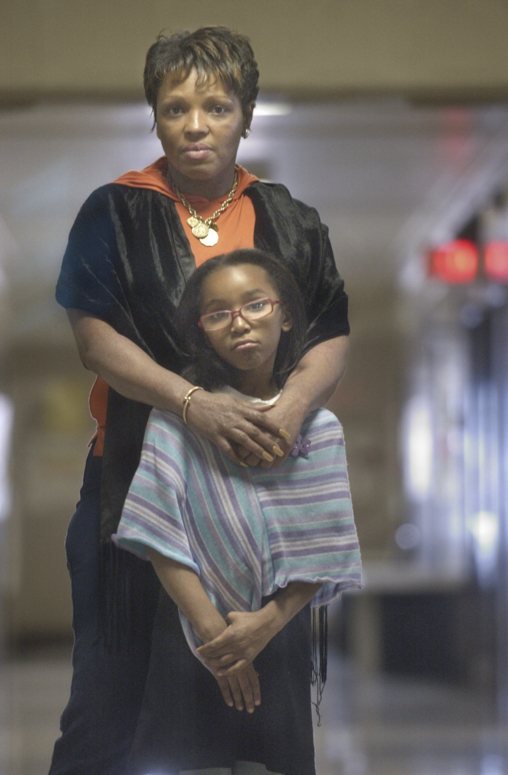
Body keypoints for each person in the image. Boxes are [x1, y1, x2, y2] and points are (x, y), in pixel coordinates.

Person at [50, 26, 350, 775]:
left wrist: (288, 410)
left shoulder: (291, 220)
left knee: (259, 727)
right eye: (174, 106)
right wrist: (191, 403)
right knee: (108, 713)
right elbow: (95, 340)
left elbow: (332, 334)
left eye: (215, 106)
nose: (194, 124)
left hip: (263, 500)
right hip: (133, 491)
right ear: (153, 116)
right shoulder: (113, 211)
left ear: (245, 115)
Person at [113, 249, 362, 775]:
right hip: (188, 630)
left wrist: (260, 629)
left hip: (280, 630)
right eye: (218, 313)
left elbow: (325, 548)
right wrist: (217, 637)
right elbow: (159, 534)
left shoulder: (319, 431)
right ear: (202, 329)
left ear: (286, 314)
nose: (240, 322)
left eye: (255, 305)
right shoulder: (178, 424)